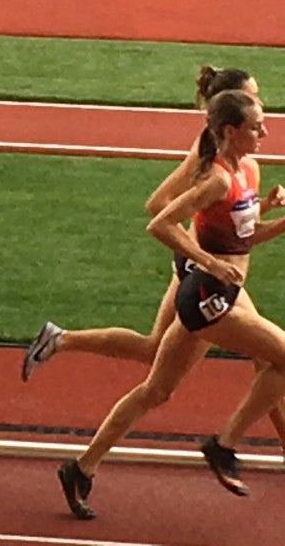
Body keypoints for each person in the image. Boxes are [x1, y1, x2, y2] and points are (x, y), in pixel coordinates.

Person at [57, 90, 285, 519]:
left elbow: (245, 239)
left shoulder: (250, 170)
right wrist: (207, 261)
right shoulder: (216, 179)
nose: (265, 132)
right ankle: (223, 445)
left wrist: (279, 219)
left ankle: (81, 467)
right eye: (256, 126)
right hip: (206, 299)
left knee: (156, 390)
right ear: (230, 131)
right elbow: (159, 222)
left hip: (219, 295)